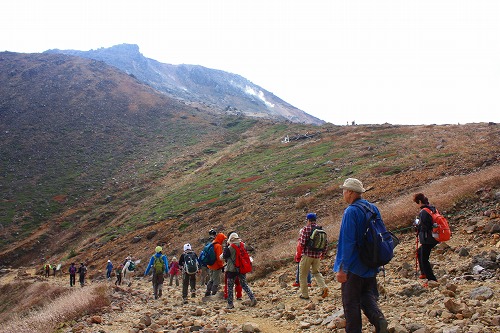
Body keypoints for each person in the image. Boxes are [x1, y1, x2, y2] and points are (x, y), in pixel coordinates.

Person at [333, 178, 388, 333]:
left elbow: (347, 241)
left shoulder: (351, 211)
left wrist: (343, 268)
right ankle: (379, 320)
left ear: (350, 192)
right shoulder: (372, 208)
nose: (343, 194)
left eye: (344, 190)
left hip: (354, 266)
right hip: (371, 262)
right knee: (366, 295)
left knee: (350, 303)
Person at [297, 212, 329, 299]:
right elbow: (326, 244)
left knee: (303, 275)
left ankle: (305, 295)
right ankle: (324, 287)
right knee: (316, 272)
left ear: (308, 220)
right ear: (315, 220)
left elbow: (302, 243)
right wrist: (323, 254)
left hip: (307, 255)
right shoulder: (321, 230)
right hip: (317, 256)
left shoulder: (306, 229)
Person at [222, 232, 257, 309]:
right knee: (244, 284)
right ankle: (252, 298)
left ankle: (230, 304)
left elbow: (223, 257)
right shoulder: (243, 245)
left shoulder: (230, 248)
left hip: (231, 270)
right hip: (241, 268)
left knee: (230, 287)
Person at [413, 193, 439, 282]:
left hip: (428, 238)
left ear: (420, 201)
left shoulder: (424, 212)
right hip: (435, 236)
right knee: (419, 252)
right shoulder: (433, 209)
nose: (418, 205)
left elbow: (424, 227)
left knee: (424, 259)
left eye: (417, 202)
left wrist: (417, 226)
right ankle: (423, 273)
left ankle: (431, 279)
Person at [204, 232, 227, 296]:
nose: (223, 240)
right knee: (216, 280)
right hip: (216, 266)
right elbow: (219, 258)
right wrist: (221, 266)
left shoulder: (212, 243)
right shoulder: (218, 246)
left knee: (211, 279)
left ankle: (207, 291)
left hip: (210, 265)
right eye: (223, 239)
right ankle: (214, 294)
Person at [224, 231, 242, 300]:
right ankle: (239, 295)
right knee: (238, 282)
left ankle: (227, 297)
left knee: (228, 283)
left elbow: (224, 256)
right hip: (239, 267)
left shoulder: (229, 247)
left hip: (230, 267)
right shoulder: (241, 245)